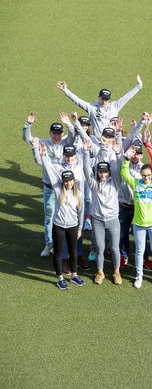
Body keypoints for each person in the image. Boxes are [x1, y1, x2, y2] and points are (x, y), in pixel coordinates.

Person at [24, 112, 76, 257]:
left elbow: (73, 135)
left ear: (62, 134)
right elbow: (27, 138)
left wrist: (68, 124)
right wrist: (28, 124)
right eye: (54, 133)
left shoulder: (66, 142)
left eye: (59, 133)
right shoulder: (43, 143)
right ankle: (49, 244)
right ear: (50, 133)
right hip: (49, 188)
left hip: (66, 188)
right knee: (50, 217)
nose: (56, 136)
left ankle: (64, 244)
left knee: (68, 215)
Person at [120, 145, 152, 289]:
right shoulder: (136, 184)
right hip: (139, 224)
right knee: (140, 251)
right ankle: (139, 276)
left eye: (149, 175)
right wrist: (126, 159)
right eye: (144, 176)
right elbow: (124, 172)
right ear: (141, 175)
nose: (147, 178)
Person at [40, 144, 85, 290]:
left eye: (70, 181)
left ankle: (74, 275)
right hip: (59, 226)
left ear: (73, 181)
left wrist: (80, 228)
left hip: (73, 227)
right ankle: (60, 278)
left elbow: (81, 212)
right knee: (59, 253)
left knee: (73, 252)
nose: (68, 183)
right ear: (62, 181)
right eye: (65, 181)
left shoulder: (79, 194)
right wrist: (43, 156)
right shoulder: (58, 188)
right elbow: (51, 171)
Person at [82, 140, 123, 285]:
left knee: (114, 248)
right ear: (97, 172)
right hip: (98, 221)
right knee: (99, 247)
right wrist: (86, 152)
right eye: (100, 171)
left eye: (105, 172)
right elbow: (86, 170)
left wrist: (119, 154)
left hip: (113, 220)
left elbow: (120, 167)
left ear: (109, 172)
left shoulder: (115, 182)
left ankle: (116, 272)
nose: (103, 174)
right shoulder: (94, 183)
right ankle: (100, 271)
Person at [57, 76, 142, 139]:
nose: (104, 101)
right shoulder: (92, 108)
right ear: (98, 97)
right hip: (97, 141)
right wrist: (66, 91)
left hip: (111, 140)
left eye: (106, 99)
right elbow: (78, 101)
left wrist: (138, 86)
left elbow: (126, 97)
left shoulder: (115, 106)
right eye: (103, 98)